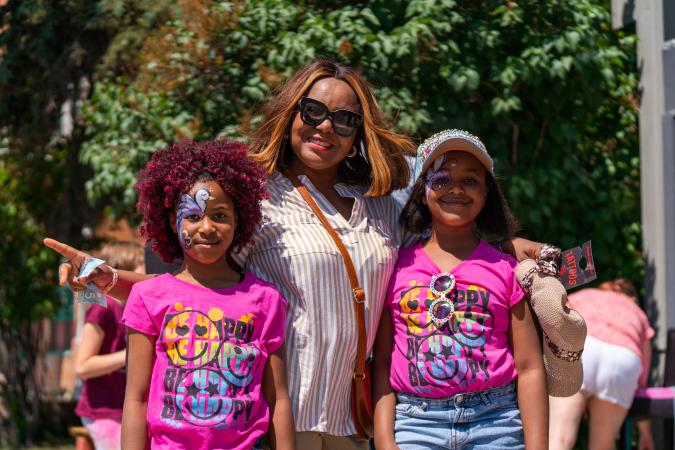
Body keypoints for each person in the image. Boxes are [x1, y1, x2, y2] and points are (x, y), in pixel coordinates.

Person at [44, 59, 543, 449]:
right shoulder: (255, 197)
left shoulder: (384, 199)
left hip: (356, 413)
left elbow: (455, 207)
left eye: (345, 120)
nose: (326, 127)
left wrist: (511, 246)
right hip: (283, 414)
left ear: (358, 132)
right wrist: (101, 281)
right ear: (292, 114)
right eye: (314, 112)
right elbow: (192, 288)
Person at [373, 129, 548, 449]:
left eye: (470, 180)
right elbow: (382, 362)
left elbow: (530, 367)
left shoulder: (506, 269)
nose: (455, 188)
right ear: (422, 191)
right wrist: (385, 441)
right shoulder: (395, 266)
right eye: (441, 179)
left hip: (496, 424)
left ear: (487, 195)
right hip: (416, 425)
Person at [120, 140, 295, 449]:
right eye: (193, 216)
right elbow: (136, 398)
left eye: (220, 216)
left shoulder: (266, 300)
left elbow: (278, 397)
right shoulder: (147, 297)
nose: (207, 227)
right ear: (171, 221)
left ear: (238, 219)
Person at [548, 279, 655, 450]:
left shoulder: (586, 295)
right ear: (633, 298)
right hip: (622, 358)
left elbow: (554, 316)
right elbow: (642, 382)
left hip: (582, 347)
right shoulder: (638, 313)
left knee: (558, 439)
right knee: (603, 446)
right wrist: (645, 433)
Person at [75, 240, 144, 450]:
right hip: (103, 411)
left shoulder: (135, 308)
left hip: (125, 410)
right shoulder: (104, 309)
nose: (147, 272)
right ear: (123, 271)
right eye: (141, 266)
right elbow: (83, 366)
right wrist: (131, 356)